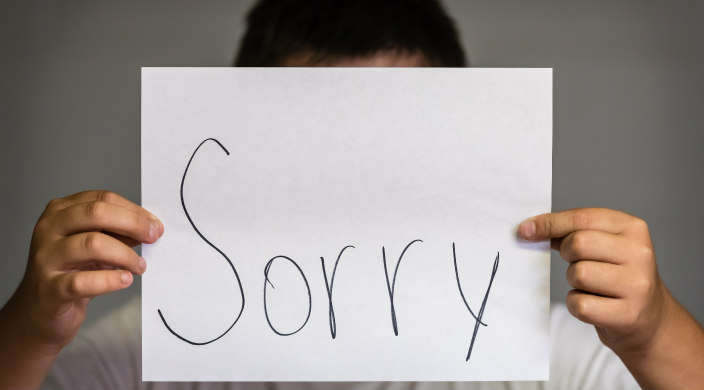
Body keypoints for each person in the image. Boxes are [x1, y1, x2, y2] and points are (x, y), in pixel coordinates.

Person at [1, 0, 703, 389]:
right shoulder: (153, 353)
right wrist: (30, 328)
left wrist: (655, 332)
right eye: (320, 149)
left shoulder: (552, 356)